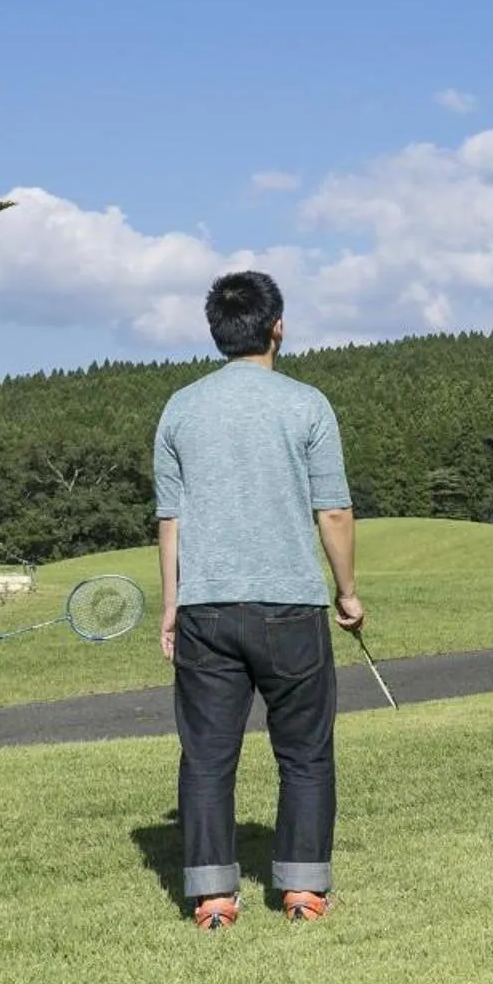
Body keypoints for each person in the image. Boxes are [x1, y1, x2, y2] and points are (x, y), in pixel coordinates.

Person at [154, 270, 363, 930]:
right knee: (304, 753)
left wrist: (170, 604)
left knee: (208, 757)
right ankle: (303, 892)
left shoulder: (180, 408)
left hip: (205, 607)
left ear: (217, 331)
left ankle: (213, 898)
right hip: (290, 606)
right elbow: (333, 511)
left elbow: (171, 519)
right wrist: (348, 593)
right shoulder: (306, 404)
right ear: (277, 326)